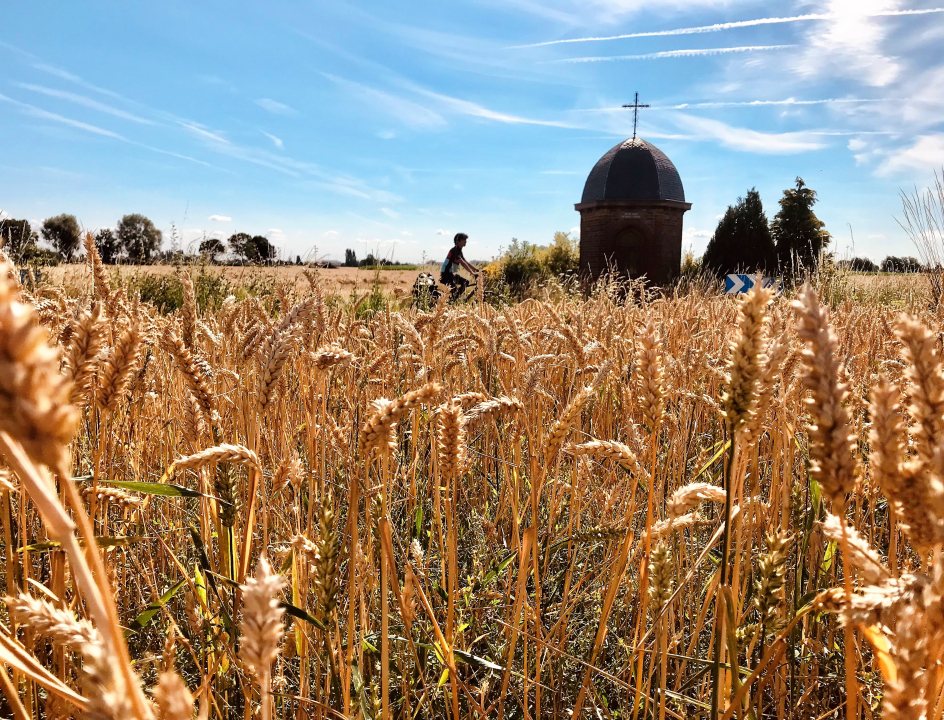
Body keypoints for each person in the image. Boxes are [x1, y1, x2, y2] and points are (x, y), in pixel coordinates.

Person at [440, 232, 479, 301]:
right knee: (454, 290)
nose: (466, 241)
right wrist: (472, 273)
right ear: (458, 241)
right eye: (464, 240)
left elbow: (465, 261)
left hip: (450, 274)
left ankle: (454, 299)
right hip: (446, 274)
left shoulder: (459, 251)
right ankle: (452, 301)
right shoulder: (455, 250)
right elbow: (462, 263)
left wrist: (476, 270)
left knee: (465, 282)